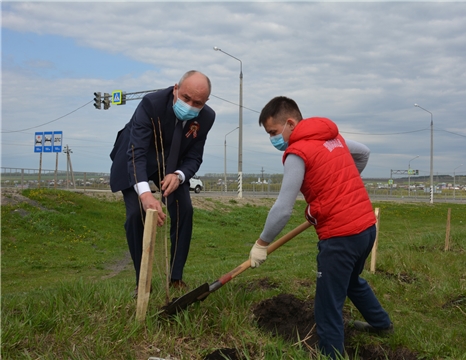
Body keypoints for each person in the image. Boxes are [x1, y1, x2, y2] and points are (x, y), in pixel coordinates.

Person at [249, 96, 392, 359]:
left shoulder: (297, 152)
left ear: (290, 123)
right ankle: (381, 324)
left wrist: (262, 243)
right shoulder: (332, 138)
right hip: (367, 228)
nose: (273, 139)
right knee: (351, 281)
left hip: (341, 237)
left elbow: (282, 209)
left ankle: (331, 355)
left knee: (327, 306)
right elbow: (364, 152)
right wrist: (339, 187)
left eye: (273, 132)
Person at [110, 70, 215, 295]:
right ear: (176, 88)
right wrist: (146, 195)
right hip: (135, 156)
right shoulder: (152, 104)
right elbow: (136, 152)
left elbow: (195, 156)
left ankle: (176, 277)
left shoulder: (206, 117)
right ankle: (142, 281)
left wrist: (178, 175)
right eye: (186, 98)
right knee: (135, 214)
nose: (190, 105)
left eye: (197, 103)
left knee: (184, 209)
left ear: (205, 103)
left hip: (170, 164)